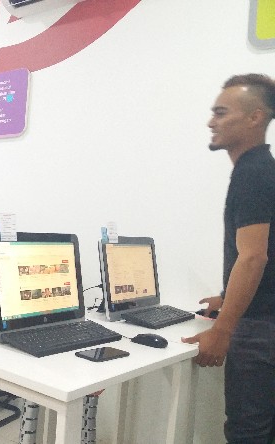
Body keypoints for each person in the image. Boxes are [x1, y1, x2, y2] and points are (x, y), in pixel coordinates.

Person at [182, 74, 275, 444]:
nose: (211, 122)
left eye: (221, 113)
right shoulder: (263, 168)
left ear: (254, 118)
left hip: (259, 332)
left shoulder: (252, 173)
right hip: (266, 320)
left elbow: (253, 257)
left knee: (247, 434)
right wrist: (226, 297)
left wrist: (222, 330)